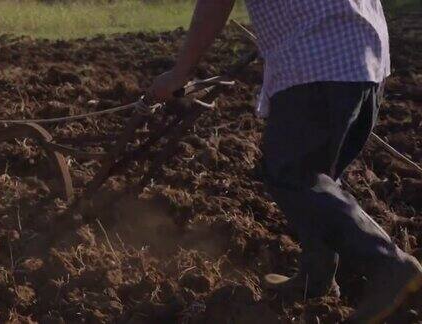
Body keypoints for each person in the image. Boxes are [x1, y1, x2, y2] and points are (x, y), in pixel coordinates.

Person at [146, 0, 422, 322]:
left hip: (319, 56)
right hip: (364, 52)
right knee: (319, 179)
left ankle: (391, 267)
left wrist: (180, 72)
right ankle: (316, 275)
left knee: (291, 174)